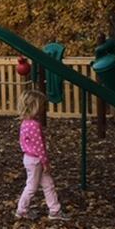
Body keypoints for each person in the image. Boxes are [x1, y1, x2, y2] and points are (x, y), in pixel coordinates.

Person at [15, 89, 68, 220]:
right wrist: (45, 163)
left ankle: (55, 210)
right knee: (32, 186)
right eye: (42, 105)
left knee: (48, 184)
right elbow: (40, 148)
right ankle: (22, 210)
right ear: (34, 106)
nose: (44, 108)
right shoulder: (34, 125)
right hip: (36, 160)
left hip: (30, 158)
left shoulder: (25, 123)